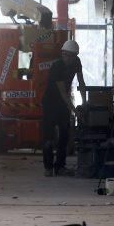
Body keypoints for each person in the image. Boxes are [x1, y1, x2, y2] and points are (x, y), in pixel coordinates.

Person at [41, 39, 87, 177]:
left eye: (72, 56)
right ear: (62, 54)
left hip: (63, 104)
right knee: (48, 138)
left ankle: (60, 167)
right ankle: (48, 168)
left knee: (64, 135)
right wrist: (75, 111)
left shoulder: (77, 63)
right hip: (50, 103)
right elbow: (63, 93)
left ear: (76, 56)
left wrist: (84, 103)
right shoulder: (57, 66)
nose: (69, 59)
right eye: (66, 55)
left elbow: (81, 82)